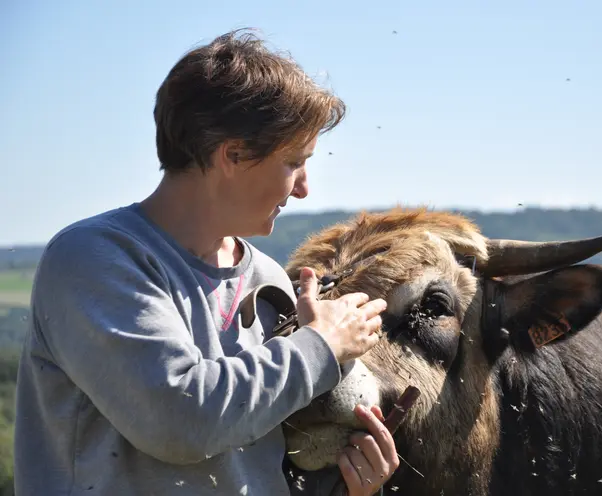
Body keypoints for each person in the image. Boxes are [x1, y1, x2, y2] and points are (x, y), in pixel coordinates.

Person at [13, 29, 398, 495]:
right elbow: (179, 420)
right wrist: (322, 345)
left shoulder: (267, 279)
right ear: (232, 155)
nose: (303, 188)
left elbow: (250, 463)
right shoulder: (94, 260)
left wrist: (346, 486)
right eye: (294, 161)